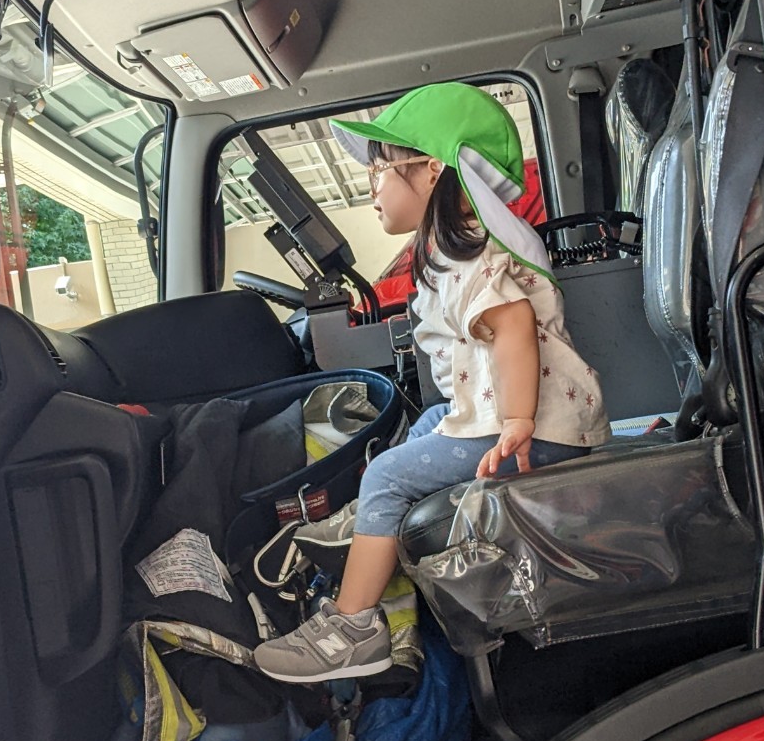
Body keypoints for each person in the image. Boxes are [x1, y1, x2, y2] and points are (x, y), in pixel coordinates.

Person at [254, 82, 610, 684]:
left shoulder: (468, 255)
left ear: (434, 169)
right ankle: (366, 521)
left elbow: (514, 326)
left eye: (379, 171)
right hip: (538, 422)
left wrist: (518, 421)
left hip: (536, 432)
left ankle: (354, 628)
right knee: (427, 422)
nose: (371, 188)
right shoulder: (457, 249)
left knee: (387, 475)